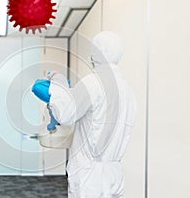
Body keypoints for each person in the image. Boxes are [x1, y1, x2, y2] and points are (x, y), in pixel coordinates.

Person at [47, 31, 137, 198]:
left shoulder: (94, 82)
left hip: (90, 177)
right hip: (113, 174)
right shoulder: (127, 91)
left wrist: (58, 81)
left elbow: (65, 114)